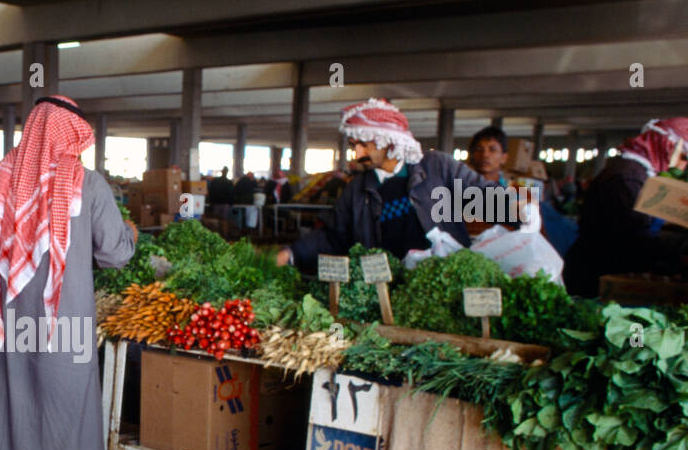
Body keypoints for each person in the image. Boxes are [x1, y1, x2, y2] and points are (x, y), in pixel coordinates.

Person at [0, 96, 137, 450]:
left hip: (4, 329)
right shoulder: (85, 184)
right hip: (62, 330)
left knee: (13, 420)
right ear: (75, 135)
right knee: (66, 421)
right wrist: (131, 235)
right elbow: (116, 253)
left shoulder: (2, 178)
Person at [277, 98, 506, 270]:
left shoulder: (436, 168)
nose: (357, 154)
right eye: (355, 145)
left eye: (364, 145)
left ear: (389, 143)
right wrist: (293, 252)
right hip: (388, 287)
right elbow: (334, 236)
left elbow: (481, 197)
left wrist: (517, 209)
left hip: (443, 277)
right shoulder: (357, 190)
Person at [562, 118, 688, 296]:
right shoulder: (628, 178)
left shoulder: (637, 173)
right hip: (597, 273)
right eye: (684, 157)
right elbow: (631, 236)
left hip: (601, 265)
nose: (683, 167)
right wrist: (676, 253)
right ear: (666, 147)